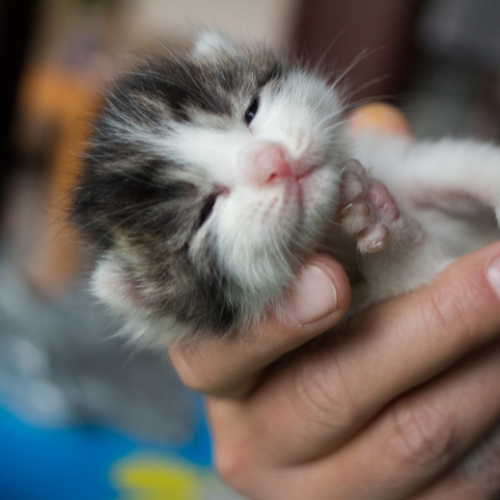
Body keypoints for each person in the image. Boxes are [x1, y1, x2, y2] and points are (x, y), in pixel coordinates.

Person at [169, 104, 500, 499]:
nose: (270, 159)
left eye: (253, 110)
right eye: (206, 209)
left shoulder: (361, 148)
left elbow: (455, 169)